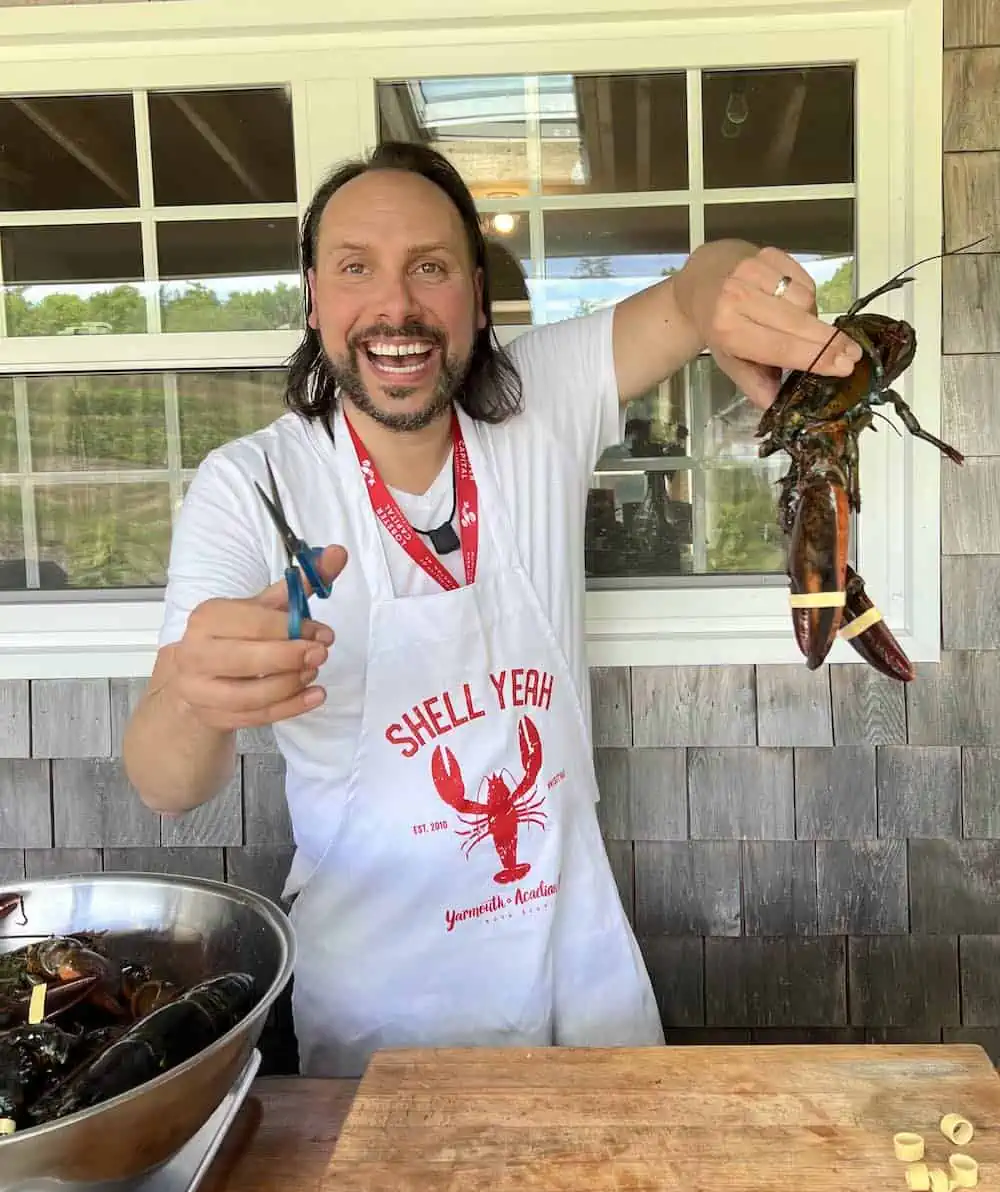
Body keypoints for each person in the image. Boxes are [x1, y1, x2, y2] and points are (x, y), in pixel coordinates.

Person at [123, 140, 861, 1078]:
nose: (397, 306)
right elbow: (165, 782)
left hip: (578, 971)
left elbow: (686, 299)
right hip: (379, 1011)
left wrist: (731, 285)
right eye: (357, 268)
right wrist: (194, 694)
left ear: (475, 293)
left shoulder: (537, 404)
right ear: (314, 296)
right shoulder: (251, 484)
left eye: (428, 267)